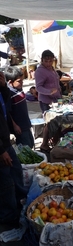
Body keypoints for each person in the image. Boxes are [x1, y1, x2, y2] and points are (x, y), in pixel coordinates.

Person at [0, 71, 28, 225]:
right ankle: (8, 215)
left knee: (16, 170)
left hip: (5, 140)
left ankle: (20, 201)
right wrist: (1, 151)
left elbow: (6, 105)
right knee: (6, 180)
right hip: (1, 147)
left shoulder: (3, 87)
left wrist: (3, 87)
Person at [35, 50, 62, 152]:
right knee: (49, 122)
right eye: (46, 61)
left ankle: (56, 141)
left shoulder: (51, 68)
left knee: (58, 121)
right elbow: (38, 88)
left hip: (56, 98)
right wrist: (49, 92)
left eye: (50, 61)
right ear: (42, 60)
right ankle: (44, 144)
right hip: (46, 101)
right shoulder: (40, 71)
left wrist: (59, 93)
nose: (49, 63)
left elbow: (56, 82)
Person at [4, 66, 34, 149]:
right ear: (10, 82)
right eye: (19, 81)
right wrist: (15, 125)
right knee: (25, 148)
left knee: (31, 143)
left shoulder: (19, 89)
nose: (22, 83)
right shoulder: (9, 93)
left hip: (26, 124)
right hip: (19, 127)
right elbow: (8, 112)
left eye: (22, 80)